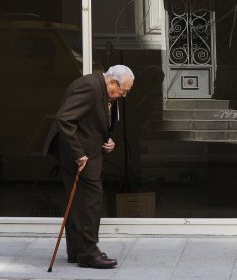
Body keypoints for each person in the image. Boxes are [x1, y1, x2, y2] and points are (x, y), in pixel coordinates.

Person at [43, 65, 135, 268]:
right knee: (90, 202)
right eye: (124, 90)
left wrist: (107, 140)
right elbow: (65, 118)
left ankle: (77, 251)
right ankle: (89, 253)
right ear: (112, 82)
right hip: (80, 154)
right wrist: (79, 155)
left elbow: (91, 121)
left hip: (88, 149)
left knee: (79, 202)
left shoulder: (101, 88)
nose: (124, 95)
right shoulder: (90, 87)